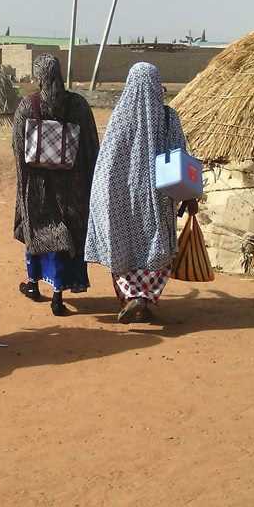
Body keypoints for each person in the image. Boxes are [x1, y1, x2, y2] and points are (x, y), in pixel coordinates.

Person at [85, 62, 197, 324]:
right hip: (158, 196)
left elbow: (107, 162)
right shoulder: (169, 118)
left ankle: (131, 296)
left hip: (120, 195)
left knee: (121, 244)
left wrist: (100, 198)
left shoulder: (121, 116)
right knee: (155, 246)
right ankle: (144, 297)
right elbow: (181, 159)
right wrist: (190, 196)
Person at [12, 54, 100, 316]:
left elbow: (18, 148)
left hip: (38, 186)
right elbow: (91, 147)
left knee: (39, 230)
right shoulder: (79, 105)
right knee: (67, 231)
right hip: (72, 186)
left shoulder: (28, 105)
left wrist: (25, 182)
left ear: (39, 77)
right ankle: (58, 294)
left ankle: (33, 284)